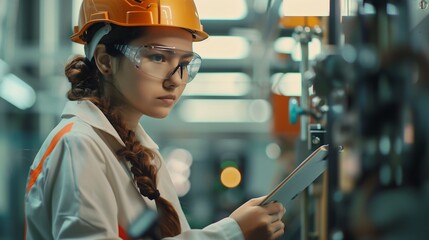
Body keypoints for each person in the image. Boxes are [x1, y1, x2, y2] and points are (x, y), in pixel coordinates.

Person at [24, 0, 286, 239]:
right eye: (158, 57)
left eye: (184, 63)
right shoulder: (78, 145)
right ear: (105, 60)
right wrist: (231, 233)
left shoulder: (143, 154)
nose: (175, 79)